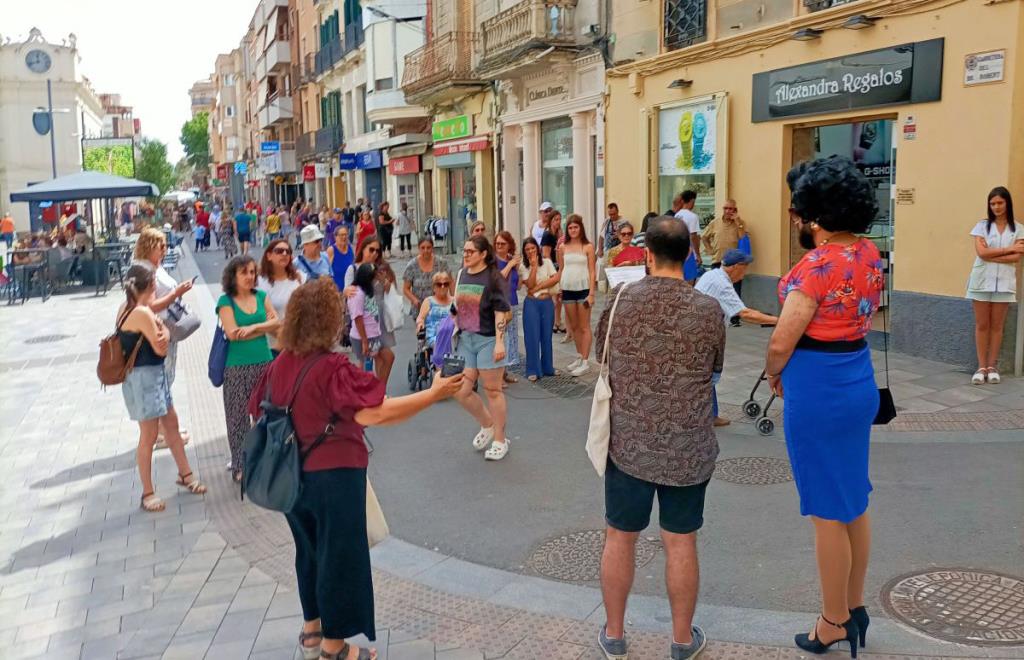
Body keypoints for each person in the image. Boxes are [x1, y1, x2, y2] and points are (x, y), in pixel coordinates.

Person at [247, 278, 463, 660]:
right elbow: (375, 413)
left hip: (289, 477)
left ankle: (312, 632)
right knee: (339, 556)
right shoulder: (333, 368)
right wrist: (433, 394)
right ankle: (335, 648)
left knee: (309, 551)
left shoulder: (280, 364)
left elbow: (257, 408)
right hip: (333, 475)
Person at [766, 156, 884, 656]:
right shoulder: (870, 252)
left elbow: (781, 341)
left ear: (815, 208)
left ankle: (833, 620)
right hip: (857, 375)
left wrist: (774, 373)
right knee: (853, 499)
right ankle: (854, 606)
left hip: (817, 387)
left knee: (825, 511)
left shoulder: (815, 267)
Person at [596, 216, 724, 660]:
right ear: (689, 254)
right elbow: (714, 371)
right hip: (688, 447)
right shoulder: (708, 309)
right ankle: (682, 639)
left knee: (619, 536)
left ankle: (614, 635)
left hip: (629, 443)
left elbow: (601, 355)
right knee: (681, 541)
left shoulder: (620, 301)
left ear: (646, 254)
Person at [117, 265, 207, 513]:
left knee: (172, 424)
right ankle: (148, 492)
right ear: (151, 286)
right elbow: (161, 348)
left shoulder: (126, 309)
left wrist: (161, 330)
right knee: (148, 436)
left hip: (150, 377)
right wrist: (165, 330)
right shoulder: (142, 313)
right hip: (146, 377)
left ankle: (185, 474)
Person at [695, 249, 778, 427]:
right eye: (745, 268)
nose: (745, 272)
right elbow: (745, 314)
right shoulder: (722, 284)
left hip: (700, 331)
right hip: (703, 334)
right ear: (735, 267)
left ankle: (711, 414)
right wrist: (779, 321)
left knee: (706, 373)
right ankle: (708, 415)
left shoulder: (713, 275)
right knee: (708, 373)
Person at [132, 228, 196, 448]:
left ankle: (165, 429)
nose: (165, 248)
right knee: (162, 381)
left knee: (166, 378)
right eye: (160, 245)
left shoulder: (154, 267)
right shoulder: (143, 270)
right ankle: (160, 432)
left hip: (165, 328)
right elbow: (148, 305)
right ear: (149, 246)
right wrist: (176, 294)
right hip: (155, 331)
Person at [217, 255, 278, 482]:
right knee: (237, 418)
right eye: (244, 272)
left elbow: (277, 323)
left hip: (264, 362)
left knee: (264, 415)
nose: (250, 277)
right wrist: (265, 327)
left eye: (253, 272)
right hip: (236, 367)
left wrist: (253, 327)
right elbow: (233, 334)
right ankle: (240, 465)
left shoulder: (261, 296)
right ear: (233, 276)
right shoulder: (226, 301)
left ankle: (263, 460)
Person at [453, 235, 512, 461]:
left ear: (483, 254)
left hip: (487, 339)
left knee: (492, 390)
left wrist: (499, 341)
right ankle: (487, 425)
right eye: (465, 251)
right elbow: (457, 304)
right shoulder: (461, 274)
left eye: (470, 251)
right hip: (466, 339)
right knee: (461, 390)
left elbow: (500, 311)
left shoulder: (493, 277)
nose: (466, 255)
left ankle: (500, 439)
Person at [967, 186, 1023, 384]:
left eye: (1000, 203)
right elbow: (981, 253)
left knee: (997, 326)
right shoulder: (982, 226)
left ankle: (992, 366)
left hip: (1005, 284)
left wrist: (993, 254)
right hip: (981, 282)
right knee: (982, 325)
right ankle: (981, 367)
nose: (996, 207)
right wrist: (1007, 250)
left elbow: (1016, 257)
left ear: (1007, 203)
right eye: (993, 203)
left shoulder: (1018, 229)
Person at [558, 215, 597, 377]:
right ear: (567, 230)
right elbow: (561, 269)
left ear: (580, 228)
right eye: (570, 227)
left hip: (583, 289)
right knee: (573, 327)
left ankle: (586, 361)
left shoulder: (588, 246)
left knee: (584, 326)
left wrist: (592, 293)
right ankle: (579, 356)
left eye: (576, 227)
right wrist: (559, 288)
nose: (573, 230)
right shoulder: (562, 247)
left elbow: (592, 270)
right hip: (567, 289)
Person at [258, 238, 306, 357]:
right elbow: (262, 316)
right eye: (279, 251)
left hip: (297, 344)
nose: (284, 254)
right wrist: (282, 335)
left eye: (288, 251)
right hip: (270, 346)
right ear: (269, 255)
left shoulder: (299, 278)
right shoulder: (259, 283)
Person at [520, 237, 560, 382]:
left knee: (546, 337)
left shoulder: (548, 262)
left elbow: (555, 278)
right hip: (532, 303)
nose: (530, 251)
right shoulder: (523, 266)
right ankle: (532, 369)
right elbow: (529, 285)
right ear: (524, 252)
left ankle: (548, 367)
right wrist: (534, 267)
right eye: (527, 249)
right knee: (532, 337)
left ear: (537, 248)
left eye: (532, 248)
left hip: (547, 302)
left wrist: (540, 286)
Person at [494, 230, 522, 384]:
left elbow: (517, 286)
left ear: (509, 245)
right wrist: (510, 265)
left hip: (513, 301)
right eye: (497, 243)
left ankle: (505, 372)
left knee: (511, 339)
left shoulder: (512, 260)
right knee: (500, 339)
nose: (499, 246)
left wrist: (518, 269)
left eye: (502, 244)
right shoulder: (493, 261)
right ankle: (498, 376)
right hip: (499, 304)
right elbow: (497, 279)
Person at [402, 236, 450, 314]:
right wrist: (414, 300)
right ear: (419, 249)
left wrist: (453, 301)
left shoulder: (441, 263)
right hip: (419, 308)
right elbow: (406, 289)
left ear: (432, 248)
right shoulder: (412, 265)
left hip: (439, 307)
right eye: (422, 248)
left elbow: (450, 282)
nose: (426, 250)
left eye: (428, 248)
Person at [349, 263, 383, 369]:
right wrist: (364, 341)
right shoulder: (358, 294)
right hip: (363, 337)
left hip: (372, 334)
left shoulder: (367, 290)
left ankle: (368, 383)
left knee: (368, 363)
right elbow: (358, 318)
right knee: (364, 365)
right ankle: (360, 385)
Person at [702, 199, 747, 268]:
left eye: (730, 209)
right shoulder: (715, 222)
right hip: (717, 262)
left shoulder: (740, 223)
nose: (727, 211)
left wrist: (738, 223)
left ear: (735, 210)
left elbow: (743, 239)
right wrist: (710, 250)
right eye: (725, 208)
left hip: (733, 263)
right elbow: (704, 237)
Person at [416, 271, 454, 352]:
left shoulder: (454, 301)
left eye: (446, 284)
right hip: (434, 335)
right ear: (434, 287)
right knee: (441, 345)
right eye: (439, 284)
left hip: (452, 335)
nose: (443, 287)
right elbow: (421, 318)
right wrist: (420, 324)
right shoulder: (428, 301)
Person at [542, 211, 567, 335]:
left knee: (560, 297)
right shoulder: (547, 235)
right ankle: (551, 322)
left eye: (559, 219)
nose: (558, 222)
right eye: (555, 219)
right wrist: (553, 272)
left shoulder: (560, 234)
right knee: (554, 297)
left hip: (560, 267)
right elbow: (546, 255)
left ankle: (558, 321)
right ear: (551, 220)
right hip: (552, 268)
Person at [673, 191, 702, 282]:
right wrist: (698, 254)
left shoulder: (677, 215)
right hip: (689, 253)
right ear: (692, 201)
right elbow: (693, 236)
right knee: (690, 281)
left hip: (677, 253)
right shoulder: (693, 216)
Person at [327, 225, 355, 293]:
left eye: (346, 234)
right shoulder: (331, 250)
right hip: (336, 290)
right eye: (341, 235)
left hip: (349, 290)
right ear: (335, 237)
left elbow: (354, 264)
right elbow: (326, 272)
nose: (344, 237)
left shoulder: (350, 248)